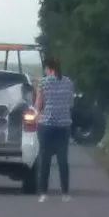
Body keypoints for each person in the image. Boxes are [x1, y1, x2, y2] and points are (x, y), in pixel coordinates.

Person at [34, 55, 76, 202]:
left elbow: (38, 105)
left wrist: (39, 114)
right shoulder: (68, 82)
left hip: (47, 125)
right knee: (63, 160)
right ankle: (65, 193)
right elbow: (70, 104)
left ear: (48, 68)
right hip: (64, 125)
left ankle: (43, 193)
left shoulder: (43, 82)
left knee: (44, 159)